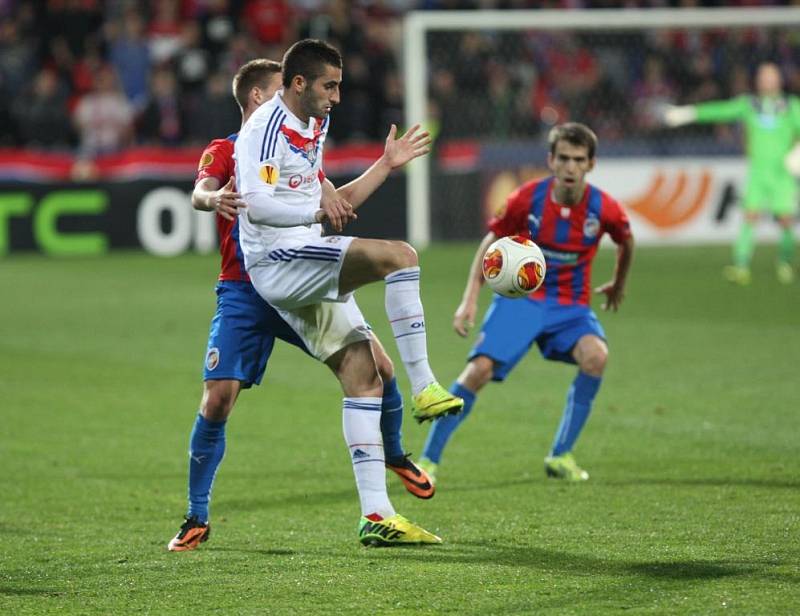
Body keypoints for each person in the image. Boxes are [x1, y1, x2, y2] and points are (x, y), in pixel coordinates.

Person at [168, 58, 437, 552]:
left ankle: (393, 457)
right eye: (278, 93)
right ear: (258, 97)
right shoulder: (229, 149)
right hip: (245, 289)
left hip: (302, 272)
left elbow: (336, 205)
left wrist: (382, 166)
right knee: (218, 399)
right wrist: (213, 200)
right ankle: (196, 515)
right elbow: (201, 192)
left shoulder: (299, 147)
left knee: (378, 367)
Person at [234, 39, 464, 546]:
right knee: (400, 256)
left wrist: (385, 165)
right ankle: (426, 386)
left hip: (307, 253)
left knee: (366, 374)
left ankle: (375, 516)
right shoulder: (261, 132)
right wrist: (316, 214)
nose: (337, 97)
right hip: (279, 260)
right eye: (329, 86)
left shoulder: (314, 123)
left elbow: (334, 201)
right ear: (299, 84)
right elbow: (257, 206)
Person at [418, 123, 634, 484]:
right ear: (550, 160)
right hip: (522, 302)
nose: (569, 167)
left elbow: (627, 240)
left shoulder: (603, 208)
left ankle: (560, 454)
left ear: (590, 164)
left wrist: (618, 283)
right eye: (563, 158)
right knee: (478, 372)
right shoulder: (527, 199)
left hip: (570, 308)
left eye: (578, 160)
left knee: (597, 356)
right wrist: (469, 299)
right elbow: (491, 241)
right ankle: (427, 460)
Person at [664, 62, 800, 285]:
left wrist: (797, 151)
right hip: (758, 172)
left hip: (782, 174)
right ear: (758, 81)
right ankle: (741, 266)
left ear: (779, 80)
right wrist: (688, 113)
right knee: (750, 217)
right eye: (763, 76)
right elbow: (720, 110)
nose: (766, 80)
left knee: (785, 221)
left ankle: (784, 263)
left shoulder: (791, 106)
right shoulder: (750, 105)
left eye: (770, 76)